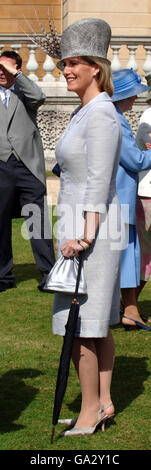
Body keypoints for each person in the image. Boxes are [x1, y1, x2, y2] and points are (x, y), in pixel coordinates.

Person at [39, 17, 124, 436]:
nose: (67, 70)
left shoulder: (102, 114)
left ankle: (90, 411)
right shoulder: (84, 111)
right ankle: (103, 403)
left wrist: (85, 236)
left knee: (81, 330)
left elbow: (98, 179)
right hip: (80, 230)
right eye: (63, 64)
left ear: (96, 67)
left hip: (90, 234)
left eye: (74, 63)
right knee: (90, 325)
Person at [0, 50, 55, 293]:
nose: (3, 73)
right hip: (1, 167)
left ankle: (50, 274)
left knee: (38, 221)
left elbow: (39, 95)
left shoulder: (25, 93)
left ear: (17, 69)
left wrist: (16, 75)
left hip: (27, 168)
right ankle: (3, 276)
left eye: (7, 69)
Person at [112, 68, 151, 331]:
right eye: (132, 95)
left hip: (133, 195)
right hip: (132, 195)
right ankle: (127, 309)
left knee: (136, 257)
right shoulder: (115, 119)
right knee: (135, 257)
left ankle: (130, 310)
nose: (136, 99)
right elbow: (136, 159)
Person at [136, 73, 151, 309]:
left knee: (145, 254)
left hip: (145, 191)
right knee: (145, 254)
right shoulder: (148, 117)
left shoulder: (147, 116)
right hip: (148, 192)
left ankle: (127, 304)